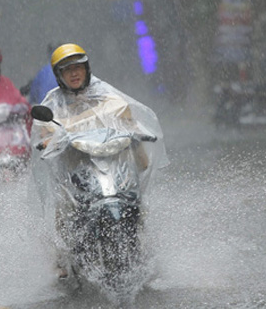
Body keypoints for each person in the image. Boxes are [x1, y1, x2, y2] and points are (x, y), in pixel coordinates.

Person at [31, 43, 168, 277]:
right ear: (59, 75)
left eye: (78, 67)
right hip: (76, 174)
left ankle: (145, 248)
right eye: (67, 69)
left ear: (87, 69)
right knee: (64, 210)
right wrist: (49, 139)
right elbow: (44, 132)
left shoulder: (107, 96)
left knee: (138, 206)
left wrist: (135, 131)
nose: (74, 73)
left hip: (115, 169)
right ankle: (63, 260)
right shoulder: (52, 104)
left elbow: (128, 119)